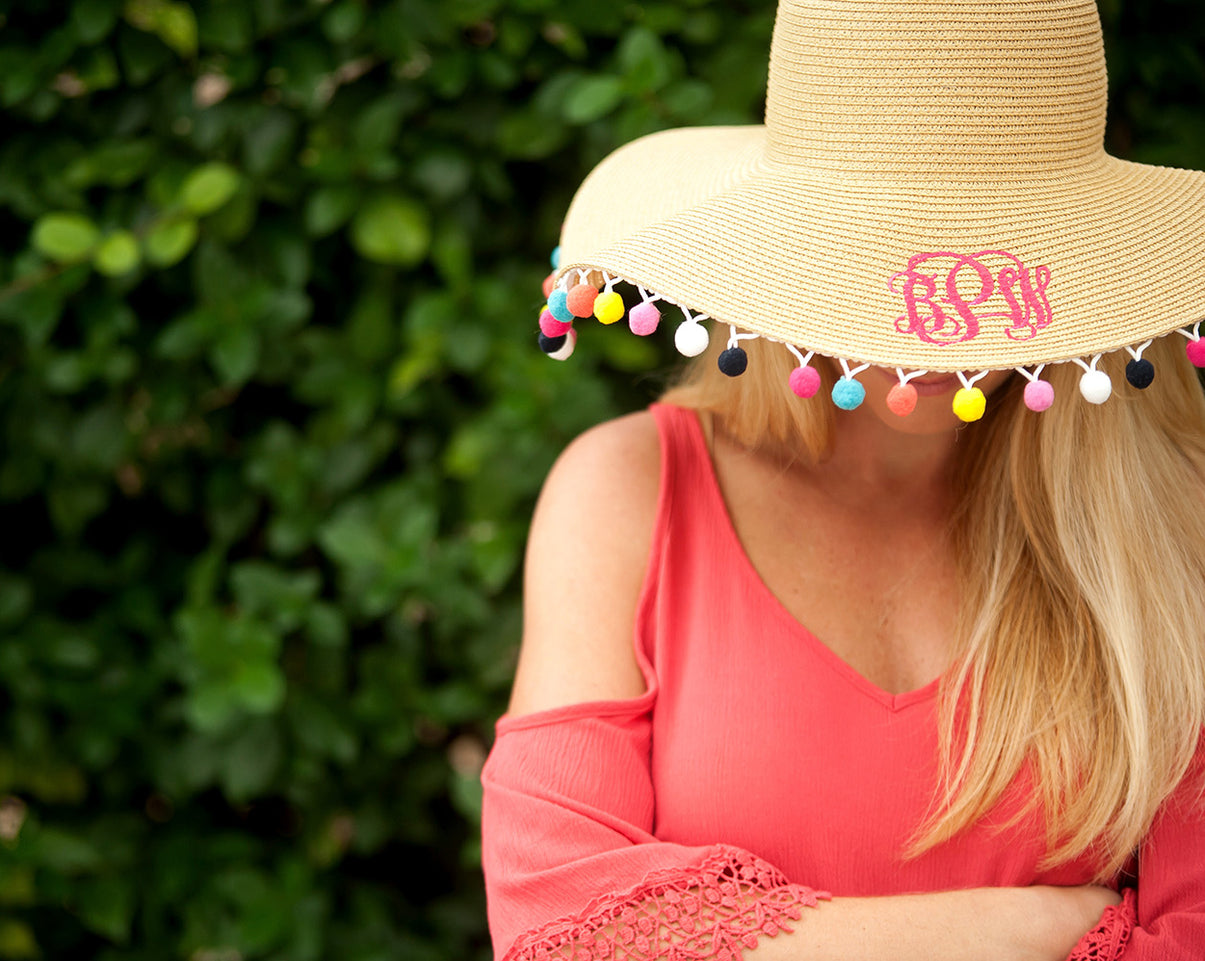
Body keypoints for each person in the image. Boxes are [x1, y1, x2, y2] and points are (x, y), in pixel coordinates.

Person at [480, 1, 1205, 959]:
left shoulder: (1168, 511)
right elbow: (557, 931)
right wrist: (1026, 925)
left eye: (998, 251)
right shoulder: (626, 492)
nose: (940, 316)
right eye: (880, 253)